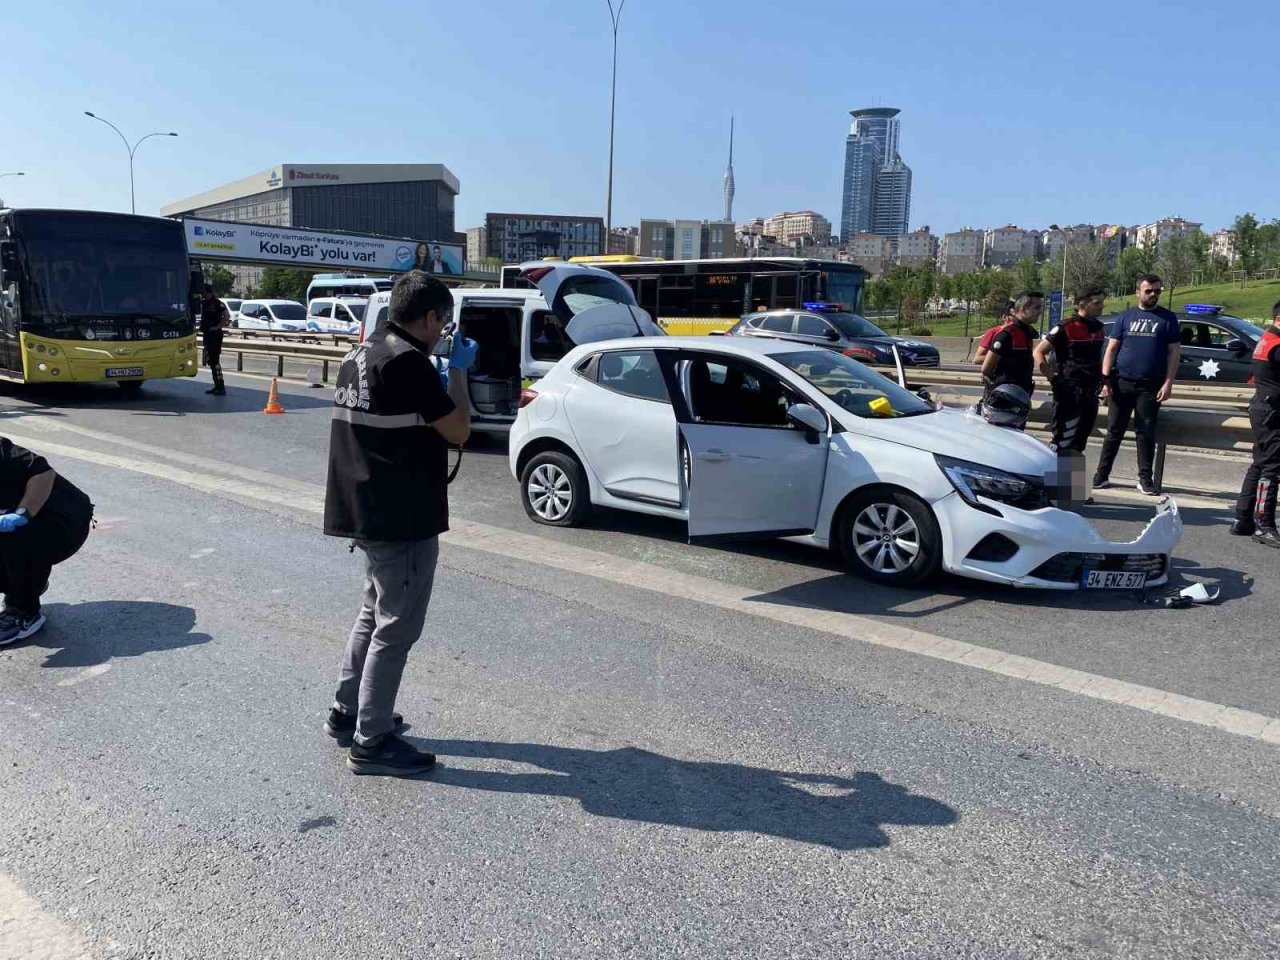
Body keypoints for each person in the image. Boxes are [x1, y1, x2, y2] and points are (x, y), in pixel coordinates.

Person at [323, 271, 477, 777]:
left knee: (373, 613)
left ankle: (347, 713)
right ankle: (372, 740)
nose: (445, 331)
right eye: (444, 322)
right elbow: (457, 430)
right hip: (402, 517)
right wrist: (457, 372)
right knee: (396, 627)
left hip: (361, 510)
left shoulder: (359, 354)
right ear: (430, 317)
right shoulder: (410, 364)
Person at [1092, 275, 1181, 495]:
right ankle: (1102, 475)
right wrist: (1105, 380)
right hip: (1122, 382)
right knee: (1114, 430)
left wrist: (1169, 382)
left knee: (1145, 432)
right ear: (1138, 292)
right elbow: (1111, 349)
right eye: (1149, 290)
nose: (1154, 294)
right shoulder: (1126, 317)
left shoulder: (1168, 319)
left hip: (1151, 385)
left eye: (1157, 291)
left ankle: (1144, 478)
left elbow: (1174, 353)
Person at [0, 438, 93, 646]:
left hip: (62, 521)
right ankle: (29, 582)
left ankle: (23, 612)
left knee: (15, 533)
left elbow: (43, 472)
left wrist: (23, 514)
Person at [1230, 301, 1280, 547]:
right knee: (1271, 467)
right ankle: (1264, 523)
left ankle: (1242, 519)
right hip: (1271, 411)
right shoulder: (1277, 345)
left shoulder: (1267, 340)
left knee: (1259, 464)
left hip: (1262, 407)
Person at [1035, 288, 1107, 454]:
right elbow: (1038, 352)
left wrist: (1104, 381)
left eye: (1102, 302)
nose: (1101, 306)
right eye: (1097, 303)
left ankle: (1071, 480)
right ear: (1083, 304)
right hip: (1069, 394)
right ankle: (1056, 479)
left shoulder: (1098, 329)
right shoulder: (1066, 327)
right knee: (1063, 442)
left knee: (1079, 444)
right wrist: (1053, 378)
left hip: (1090, 395)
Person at [981, 291, 1043, 415]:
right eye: (1036, 307)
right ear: (1024, 309)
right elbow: (986, 369)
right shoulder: (1007, 335)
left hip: (1020, 398)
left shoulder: (1026, 334)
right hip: (1004, 402)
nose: (1040, 312)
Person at [199, 285, 231, 396]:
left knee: (215, 361)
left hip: (215, 335)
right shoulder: (203, 303)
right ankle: (216, 385)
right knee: (210, 361)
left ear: (210, 293)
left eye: (205, 293)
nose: (204, 295)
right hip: (207, 334)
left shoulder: (217, 303)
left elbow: (226, 317)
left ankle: (220, 386)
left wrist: (217, 327)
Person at [972, 300, 1015, 366]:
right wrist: (1003, 358)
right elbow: (977, 359)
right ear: (1004, 317)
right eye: (1014, 316)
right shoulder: (993, 332)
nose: (1018, 318)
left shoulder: (1024, 333)